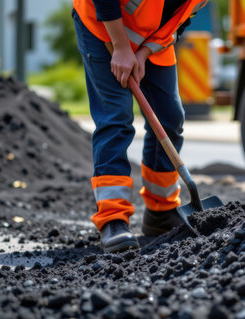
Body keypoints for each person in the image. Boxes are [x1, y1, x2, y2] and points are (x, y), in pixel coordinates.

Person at [72, 0, 208, 253]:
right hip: (101, 24)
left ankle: (161, 210)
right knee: (116, 118)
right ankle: (113, 218)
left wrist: (143, 53)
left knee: (169, 117)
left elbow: (180, 17)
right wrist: (122, 47)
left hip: (152, 38)